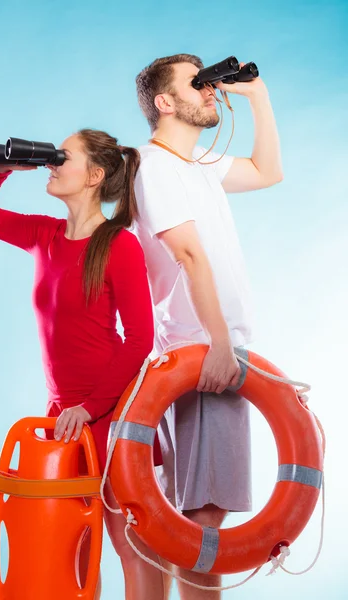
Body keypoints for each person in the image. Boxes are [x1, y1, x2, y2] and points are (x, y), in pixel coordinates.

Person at [0, 129, 167, 600]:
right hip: (64, 414)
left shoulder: (119, 245)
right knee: (73, 536)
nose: (53, 163)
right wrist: (0, 170)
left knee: (126, 541)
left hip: (111, 413)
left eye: (63, 157)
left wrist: (91, 406)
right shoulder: (44, 234)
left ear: (95, 175)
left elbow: (140, 340)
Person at [132, 54, 283, 599]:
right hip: (200, 349)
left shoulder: (199, 166)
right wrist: (219, 343)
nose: (209, 91)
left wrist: (258, 97)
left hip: (205, 345)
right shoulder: (153, 165)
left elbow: (269, 172)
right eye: (195, 84)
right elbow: (190, 255)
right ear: (165, 102)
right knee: (203, 516)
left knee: (191, 512)